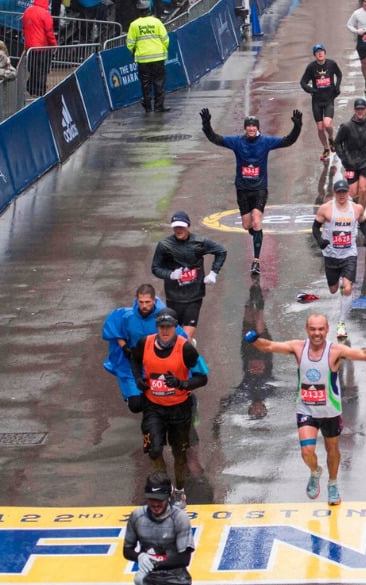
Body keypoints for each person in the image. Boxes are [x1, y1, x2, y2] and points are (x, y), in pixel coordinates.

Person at [244, 315, 366, 506]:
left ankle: (333, 484)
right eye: (313, 329)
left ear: (327, 330)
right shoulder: (298, 347)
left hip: (330, 412)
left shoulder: (335, 350)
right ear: (307, 329)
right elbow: (269, 346)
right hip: (307, 410)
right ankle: (315, 471)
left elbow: (364, 356)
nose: (317, 333)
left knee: (332, 450)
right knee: (306, 452)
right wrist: (254, 340)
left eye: (320, 329)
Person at [200, 108, 302, 275]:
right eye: (249, 128)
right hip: (242, 189)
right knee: (248, 225)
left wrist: (297, 126)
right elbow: (215, 138)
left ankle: (256, 261)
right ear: (245, 129)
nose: (251, 130)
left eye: (254, 128)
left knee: (256, 221)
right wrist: (206, 124)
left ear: (258, 129)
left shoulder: (266, 142)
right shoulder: (237, 142)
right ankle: (257, 235)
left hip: (260, 189)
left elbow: (288, 141)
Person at [129, 312, 208, 506]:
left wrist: (182, 383)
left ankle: (180, 490)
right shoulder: (144, 343)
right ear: (157, 327)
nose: (165, 331)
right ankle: (164, 487)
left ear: (175, 327)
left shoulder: (186, 348)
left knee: (179, 453)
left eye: (169, 327)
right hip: (153, 407)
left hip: (179, 408)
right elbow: (134, 359)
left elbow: (202, 377)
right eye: (161, 327)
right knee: (154, 450)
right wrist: (138, 378)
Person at [150, 211, 227, 342]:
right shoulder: (164, 245)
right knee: (173, 338)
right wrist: (170, 274)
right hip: (173, 297)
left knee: (184, 339)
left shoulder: (200, 242)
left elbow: (221, 251)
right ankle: (189, 347)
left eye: (182, 227)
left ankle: (187, 349)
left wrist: (213, 273)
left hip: (194, 296)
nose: (179, 230)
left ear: (188, 226)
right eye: (176, 227)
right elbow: (155, 268)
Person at [311, 179, 366, 340]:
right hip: (331, 255)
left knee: (347, 288)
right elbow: (315, 228)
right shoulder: (326, 209)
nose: (342, 195)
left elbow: (364, 223)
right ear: (334, 193)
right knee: (333, 289)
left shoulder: (356, 209)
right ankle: (341, 288)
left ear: (348, 193)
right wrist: (320, 241)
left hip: (349, 254)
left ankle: (341, 324)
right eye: (339, 193)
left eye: (344, 192)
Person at [123, 472, 196, 584]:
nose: (155, 504)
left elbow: (184, 559)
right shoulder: (137, 516)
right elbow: (127, 550)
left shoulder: (180, 518)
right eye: (152, 499)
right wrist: (140, 556)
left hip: (177, 580)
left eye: (160, 499)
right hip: (148, 579)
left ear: (168, 498)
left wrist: (154, 564)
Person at [333, 98, 366, 209]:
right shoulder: (346, 126)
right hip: (350, 163)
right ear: (354, 110)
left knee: (363, 189)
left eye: (362, 109)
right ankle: (357, 206)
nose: (360, 111)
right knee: (353, 193)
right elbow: (337, 143)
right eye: (358, 109)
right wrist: (343, 158)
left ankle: (360, 215)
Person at [300, 44, 343, 160]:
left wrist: (337, 86)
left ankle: (331, 138)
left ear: (325, 52)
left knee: (327, 124)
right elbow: (303, 82)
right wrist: (311, 90)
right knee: (320, 128)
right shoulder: (311, 67)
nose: (320, 53)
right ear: (315, 55)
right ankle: (325, 148)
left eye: (321, 51)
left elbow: (339, 74)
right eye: (317, 52)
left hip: (329, 99)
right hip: (317, 101)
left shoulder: (331, 64)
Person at [127, 4, 170, 113]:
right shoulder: (157, 22)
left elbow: (130, 44)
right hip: (158, 58)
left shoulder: (134, 25)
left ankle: (148, 107)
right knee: (159, 82)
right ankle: (159, 106)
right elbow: (165, 39)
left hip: (143, 59)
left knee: (145, 84)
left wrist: (135, 52)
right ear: (149, 10)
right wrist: (162, 49)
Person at [21, 0, 57, 97]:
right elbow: (49, 32)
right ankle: (40, 91)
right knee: (42, 70)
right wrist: (54, 45)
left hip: (30, 47)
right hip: (43, 47)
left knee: (33, 69)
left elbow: (24, 29)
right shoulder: (45, 14)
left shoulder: (27, 11)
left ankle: (31, 88)